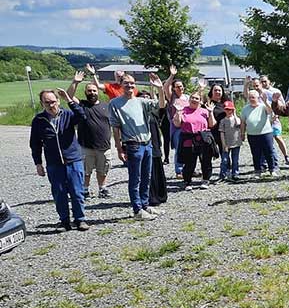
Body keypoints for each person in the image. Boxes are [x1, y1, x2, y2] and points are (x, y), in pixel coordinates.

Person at [29, 88, 89, 231]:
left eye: (53, 102)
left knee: (77, 192)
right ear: (42, 103)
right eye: (47, 102)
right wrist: (38, 163)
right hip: (54, 164)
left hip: (73, 161)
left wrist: (69, 99)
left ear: (58, 101)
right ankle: (64, 221)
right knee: (59, 193)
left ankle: (80, 219)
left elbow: (82, 116)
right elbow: (35, 143)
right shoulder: (38, 120)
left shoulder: (68, 115)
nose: (51, 105)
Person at [109, 72, 164, 221]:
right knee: (135, 178)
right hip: (133, 145)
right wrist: (119, 149)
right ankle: (137, 209)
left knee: (147, 177)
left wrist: (160, 88)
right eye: (126, 83)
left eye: (132, 83)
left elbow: (161, 105)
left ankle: (145, 205)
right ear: (121, 84)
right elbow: (115, 128)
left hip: (147, 144)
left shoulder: (141, 101)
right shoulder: (115, 103)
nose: (130, 85)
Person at [68, 67, 113, 199]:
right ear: (85, 92)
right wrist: (75, 82)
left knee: (103, 169)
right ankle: (85, 190)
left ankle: (102, 189)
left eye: (94, 90)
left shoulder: (106, 105)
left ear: (97, 92)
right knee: (86, 171)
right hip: (86, 146)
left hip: (104, 146)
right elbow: (69, 96)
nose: (92, 93)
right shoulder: (82, 105)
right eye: (89, 91)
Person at [173, 91, 215, 190]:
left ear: (200, 101)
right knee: (189, 161)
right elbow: (177, 124)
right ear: (189, 99)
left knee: (206, 160)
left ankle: (206, 179)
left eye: (197, 98)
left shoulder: (204, 111)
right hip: (188, 138)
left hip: (203, 138)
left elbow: (212, 124)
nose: (194, 100)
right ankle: (187, 181)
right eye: (193, 98)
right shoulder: (183, 110)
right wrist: (178, 112)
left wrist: (211, 112)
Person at [241, 87, 278, 177]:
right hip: (252, 135)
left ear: (258, 98)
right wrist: (242, 133)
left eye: (253, 97)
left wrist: (265, 101)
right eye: (250, 97)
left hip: (266, 133)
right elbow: (243, 122)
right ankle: (258, 170)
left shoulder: (263, 106)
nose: (251, 99)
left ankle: (272, 169)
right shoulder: (245, 109)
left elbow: (270, 111)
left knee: (269, 152)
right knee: (255, 153)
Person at [219, 102, 245, 182]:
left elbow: (238, 123)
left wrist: (235, 114)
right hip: (227, 143)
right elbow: (222, 133)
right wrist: (224, 144)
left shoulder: (236, 119)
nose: (228, 111)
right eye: (227, 109)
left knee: (235, 159)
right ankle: (223, 175)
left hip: (236, 143)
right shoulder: (223, 121)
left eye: (230, 109)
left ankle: (235, 174)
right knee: (224, 160)